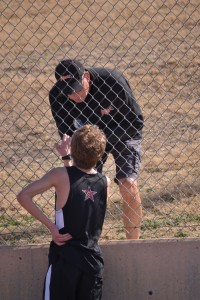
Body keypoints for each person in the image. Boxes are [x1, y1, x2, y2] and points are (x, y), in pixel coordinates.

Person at [49, 59, 144, 239]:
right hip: (87, 141)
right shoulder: (57, 96)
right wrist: (71, 161)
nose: (75, 96)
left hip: (123, 134)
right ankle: (88, 242)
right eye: (69, 92)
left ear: (86, 76)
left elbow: (136, 123)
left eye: (78, 88)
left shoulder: (112, 82)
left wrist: (102, 136)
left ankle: (133, 243)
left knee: (127, 183)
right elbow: (67, 134)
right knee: (86, 190)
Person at [17, 124, 110, 300]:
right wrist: (67, 158)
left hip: (65, 259)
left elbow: (23, 196)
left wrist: (51, 227)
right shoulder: (104, 182)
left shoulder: (59, 175)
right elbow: (79, 182)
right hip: (93, 262)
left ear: (73, 149)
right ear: (100, 154)